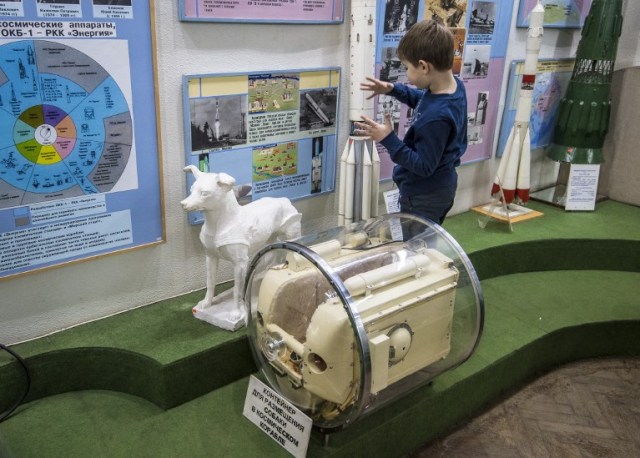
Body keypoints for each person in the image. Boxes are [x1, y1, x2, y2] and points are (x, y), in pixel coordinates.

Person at [356, 19, 468, 226]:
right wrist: (393, 89)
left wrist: (387, 139)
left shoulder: (436, 118)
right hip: (441, 187)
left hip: (423, 196)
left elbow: (424, 166)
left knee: (417, 250)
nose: (406, 74)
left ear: (424, 66)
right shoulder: (453, 88)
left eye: (407, 67)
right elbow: (424, 99)